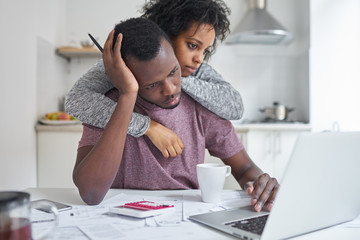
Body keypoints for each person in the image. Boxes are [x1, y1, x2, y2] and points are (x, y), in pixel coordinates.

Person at [73, 18, 279, 213]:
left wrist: (261, 184)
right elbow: (91, 194)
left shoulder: (201, 105)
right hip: (122, 218)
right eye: (152, 85)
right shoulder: (106, 105)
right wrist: (127, 95)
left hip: (186, 216)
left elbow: (245, 169)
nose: (170, 90)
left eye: (173, 71)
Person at [65, 0, 243, 159]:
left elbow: (235, 107)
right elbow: (76, 101)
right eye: (193, 46)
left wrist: (175, 77)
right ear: (165, 35)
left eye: (205, 50)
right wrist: (147, 126)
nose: (199, 58)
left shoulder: (195, 70)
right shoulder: (124, 65)